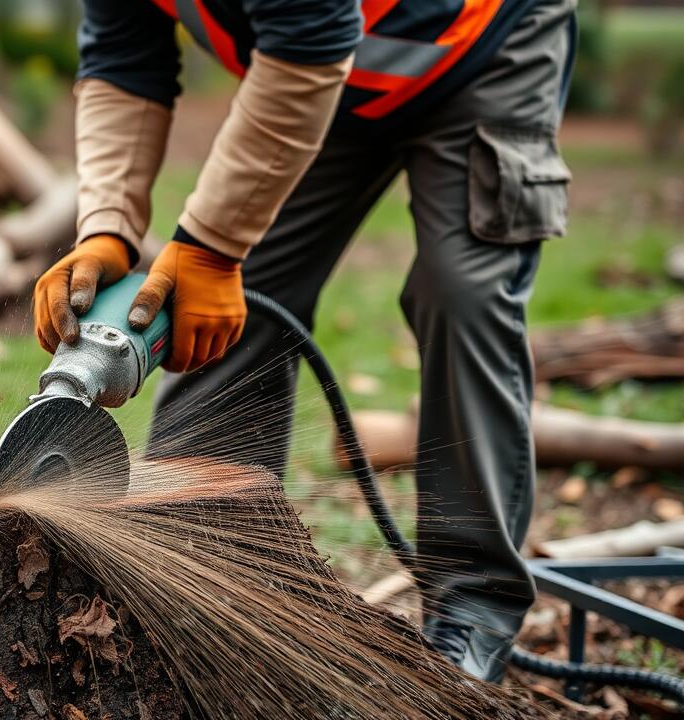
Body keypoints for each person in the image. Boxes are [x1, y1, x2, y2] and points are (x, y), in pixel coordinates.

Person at [33, 0, 576, 683]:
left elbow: (312, 36)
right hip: (320, 78)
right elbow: (124, 60)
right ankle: (204, 576)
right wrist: (107, 227)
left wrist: (210, 245)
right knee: (227, 301)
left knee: (460, 293)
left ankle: (473, 611)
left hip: (478, 47)